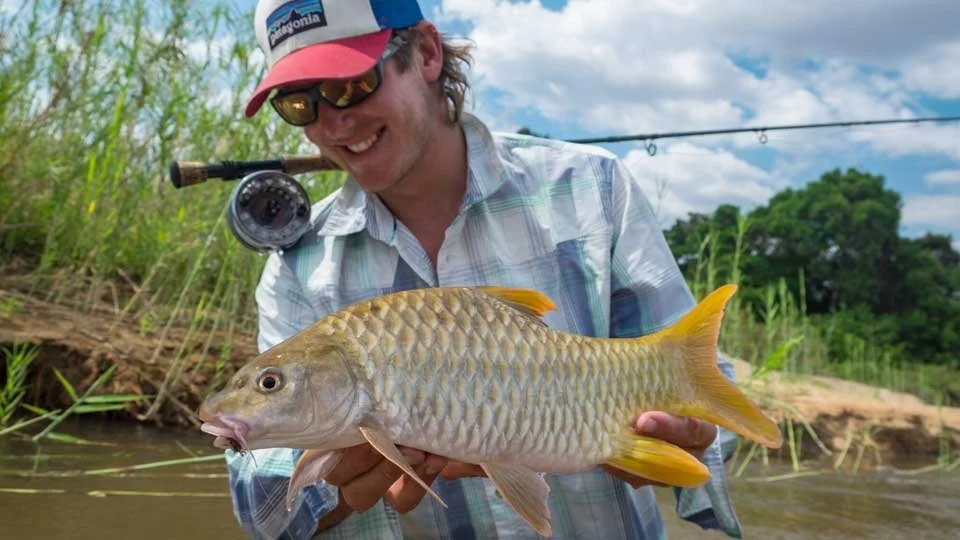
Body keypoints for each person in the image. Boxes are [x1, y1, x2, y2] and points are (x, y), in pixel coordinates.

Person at [225, 0, 746, 538]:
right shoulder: (297, 270)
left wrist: (685, 439)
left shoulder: (595, 190)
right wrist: (331, 491)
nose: (332, 122)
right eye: (297, 104)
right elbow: (259, 506)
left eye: (349, 84)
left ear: (426, 54)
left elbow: (710, 427)